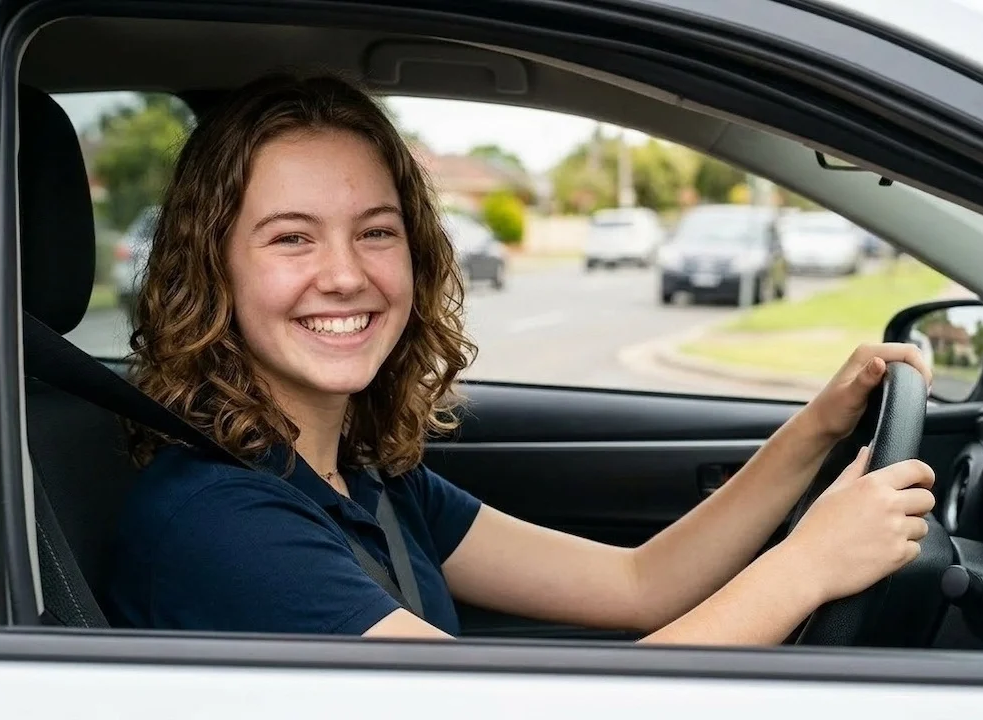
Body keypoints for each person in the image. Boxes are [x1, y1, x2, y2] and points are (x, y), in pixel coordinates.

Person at [104, 72, 936, 646]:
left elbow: (636, 585)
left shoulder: (363, 481)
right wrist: (808, 567)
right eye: (291, 238)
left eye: (376, 231)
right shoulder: (216, 522)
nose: (347, 275)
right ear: (213, 266)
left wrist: (816, 431)